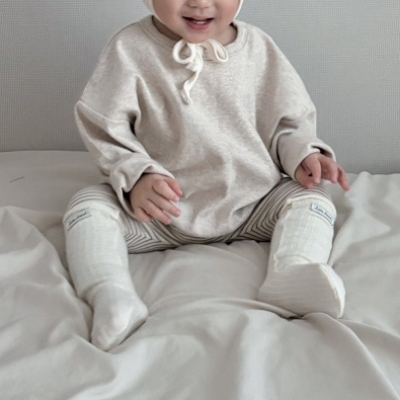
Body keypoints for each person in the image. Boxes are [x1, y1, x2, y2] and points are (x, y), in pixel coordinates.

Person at [64, 0, 350, 351]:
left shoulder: (258, 49)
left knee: (311, 197)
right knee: (87, 206)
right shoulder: (129, 49)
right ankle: (112, 294)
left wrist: (304, 154)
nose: (200, 3)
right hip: (161, 212)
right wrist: (137, 175)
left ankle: (292, 270)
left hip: (252, 205)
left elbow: (287, 124)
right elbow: (105, 128)